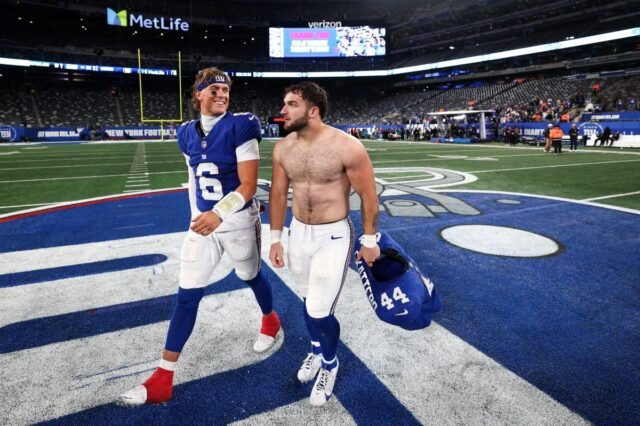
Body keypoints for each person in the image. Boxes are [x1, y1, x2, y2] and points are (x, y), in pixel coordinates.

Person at [117, 67, 281, 406]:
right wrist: (197, 216)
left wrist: (218, 213)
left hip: (236, 220)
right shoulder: (185, 133)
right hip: (204, 223)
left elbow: (248, 185)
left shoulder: (242, 125)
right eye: (214, 89)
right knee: (187, 294)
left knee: (249, 276)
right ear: (198, 95)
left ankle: (270, 320)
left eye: (226, 90)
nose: (222, 94)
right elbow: (193, 178)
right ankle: (163, 376)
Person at [268, 81, 380, 406]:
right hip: (298, 232)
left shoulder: (347, 146)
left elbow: (368, 195)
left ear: (313, 111)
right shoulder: (283, 148)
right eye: (284, 103)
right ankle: (317, 351)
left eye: (292, 104)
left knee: (319, 309)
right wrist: (275, 238)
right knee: (307, 301)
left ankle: (330, 364)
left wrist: (369, 240)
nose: (283, 110)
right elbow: (278, 193)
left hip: (333, 235)